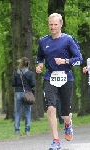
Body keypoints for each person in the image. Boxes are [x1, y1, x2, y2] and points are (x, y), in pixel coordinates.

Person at [36, 13, 83, 150]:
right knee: (51, 108)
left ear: (61, 24)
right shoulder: (43, 41)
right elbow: (40, 57)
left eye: (55, 24)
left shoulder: (68, 40)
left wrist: (65, 61)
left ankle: (68, 124)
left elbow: (79, 59)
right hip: (50, 77)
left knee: (64, 114)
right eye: (51, 24)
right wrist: (39, 66)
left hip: (66, 77)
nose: (53, 27)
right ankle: (56, 141)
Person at [12, 57, 36, 136]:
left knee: (18, 112)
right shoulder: (30, 73)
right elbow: (33, 84)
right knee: (27, 112)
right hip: (27, 94)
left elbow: (13, 84)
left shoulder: (16, 73)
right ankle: (27, 130)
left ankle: (17, 131)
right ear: (27, 64)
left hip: (18, 93)